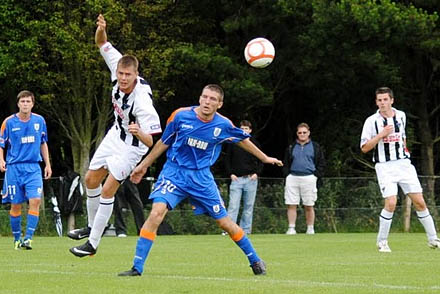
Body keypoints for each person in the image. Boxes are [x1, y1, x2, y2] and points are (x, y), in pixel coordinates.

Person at [117, 84, 283, 277]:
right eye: (205, 97)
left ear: (219, 104)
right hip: (174, 172)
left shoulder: (223, 125)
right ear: (200, 98)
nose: (207, 101)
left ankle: (254, 259)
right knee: (156, 213)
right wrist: (143, 165)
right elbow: (164, 141)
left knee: (225, 223)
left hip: (201, 178)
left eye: (213, 99)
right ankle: (137, 267)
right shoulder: (180, 116)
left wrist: (264, 158)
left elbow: (242, 139)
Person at [68, 14, 162, 257]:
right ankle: (91, 226)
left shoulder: (142, 102)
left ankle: (93, 244)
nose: (122, 78)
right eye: (120, 73)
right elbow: (101, 43)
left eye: (127, 75)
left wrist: (139, 132)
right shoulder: (118, 64)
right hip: (115, 135)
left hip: (134, 147)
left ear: (135, 75)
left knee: (108, 189)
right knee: (90, 180)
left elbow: (153, 141)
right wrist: (101, 28)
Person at [360, 86, 440, 252]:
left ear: (391, 100)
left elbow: (402, 137)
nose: (382, 103)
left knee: (419, 201)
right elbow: (364, 147)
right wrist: (381, 135)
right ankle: (382, 242)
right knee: (391, 202)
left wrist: (405, 151)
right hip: (384, 166)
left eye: (385, 99)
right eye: (379, 100)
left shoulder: (401, 116)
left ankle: (433, 239)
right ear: (376, 102)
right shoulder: (371, 121)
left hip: (403, 164)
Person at [0, 90, 52, 250]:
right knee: (16, 205)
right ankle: (17, 239)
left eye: (28, 101)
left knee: (35, 200)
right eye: (22, 101)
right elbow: (1, 144)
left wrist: (48, 164)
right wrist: (1, 160)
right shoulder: (8, 122)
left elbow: (43, 143)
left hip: (33, 167)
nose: (25, 104)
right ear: (18, 104)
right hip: (14, 168)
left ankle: (28, 238)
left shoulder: (39, 121)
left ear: (32, 104)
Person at [283, 123, 325, 235]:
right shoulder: (291, 147)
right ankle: (291, 228)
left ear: (308, 133)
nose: (302, 134)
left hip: (309, 178)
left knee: (309, 204)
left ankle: (310, 228)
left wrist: (316, 175)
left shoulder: (315, 147)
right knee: (291, 204)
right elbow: (286, 163)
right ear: (297, 134)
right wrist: (287, 175)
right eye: (300, 132)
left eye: (304, 132)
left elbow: (321, 163)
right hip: (293, 177)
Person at [224, 120, 263, 234]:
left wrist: (257, 173)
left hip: (251, 179)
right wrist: (231, 174)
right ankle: (229, 230)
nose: (244, 131)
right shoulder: (234, 144)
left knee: (248, 207)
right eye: (242, 128)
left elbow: (261, 160)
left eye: (246, 129)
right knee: (233, 206)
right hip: (236, 179)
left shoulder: (255, 144)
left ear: (250, 131)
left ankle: (245, 230)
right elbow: (227, 160)